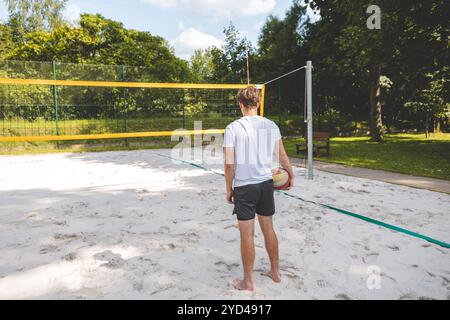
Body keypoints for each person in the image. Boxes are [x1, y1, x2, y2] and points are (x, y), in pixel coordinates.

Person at [223, 86, 294, 291]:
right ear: (259, 103)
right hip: (266, 184)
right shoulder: (271, 125)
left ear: (240, 104)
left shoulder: (232, 128)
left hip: (245, 187)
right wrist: (291, 174)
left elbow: (229, 164)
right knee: (268, 229)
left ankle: (248, 282)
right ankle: (275, 272)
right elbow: (282, 156)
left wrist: (229, 189)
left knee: (247, 235)